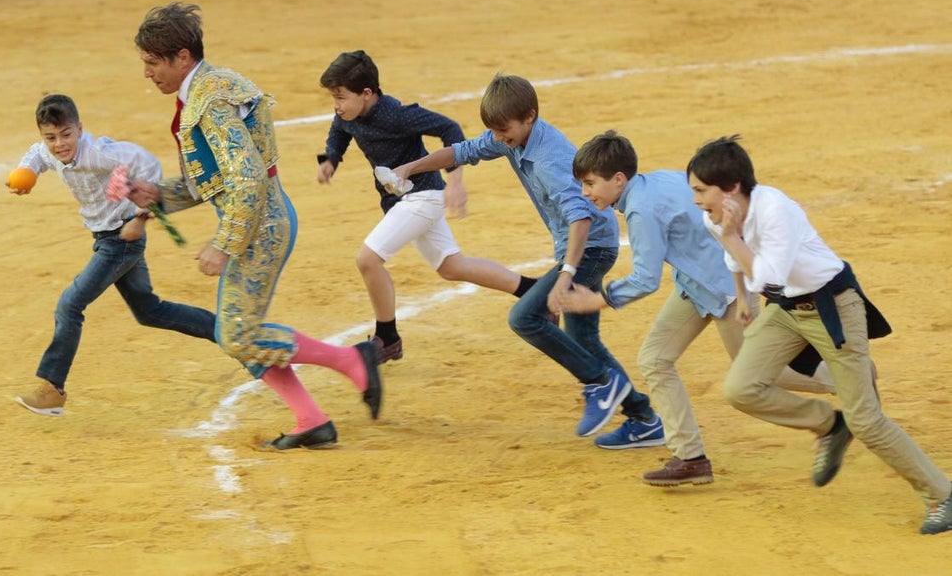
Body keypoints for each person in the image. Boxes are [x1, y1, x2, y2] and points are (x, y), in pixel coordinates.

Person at [125, 2, 382, 450]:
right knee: (240, 333)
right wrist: (160, 194)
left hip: (258, 226)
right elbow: (219, 177)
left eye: (152, 63)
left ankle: (350, 361)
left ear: (181, 57)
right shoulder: (210, 87)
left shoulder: (211, 102)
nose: (147, 73)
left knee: (237, 333)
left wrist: (225, 243)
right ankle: (311, 418)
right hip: (260, 219)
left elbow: (245, 179)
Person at [687, 134, 951, 534]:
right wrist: (741, 297)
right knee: (740, 387)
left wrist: (732, 238)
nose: (696, 200)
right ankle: (830, 425)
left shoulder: (776, 210)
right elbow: (737, 263)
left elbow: (769, 277)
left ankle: (941, 495)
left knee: (867, 421)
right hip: (787, 310)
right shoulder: (716, 216)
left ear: (732, 187)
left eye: (701, 190)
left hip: (834, 307)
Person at [391, 74, 657, 440]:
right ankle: (643, 419)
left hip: (590, 248)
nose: (499, 137)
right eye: (495, 132)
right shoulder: (513, 139)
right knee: (584, 341)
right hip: (582, 246)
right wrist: (409, 168)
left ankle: (599, 382)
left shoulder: (548, 160)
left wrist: (566, 275)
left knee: (524, 317)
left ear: (529, 116)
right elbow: (462, 151)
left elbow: (581, 218)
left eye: (504, 130)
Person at [563, 130, 835, 484]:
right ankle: (689, 456)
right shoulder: (656, 180)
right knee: (655, 358)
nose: (586, 193)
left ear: (618, 180)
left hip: (725, 289)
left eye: (590, 183)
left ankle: (843, 382)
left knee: (757, 372)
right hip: (697, 285)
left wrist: (596, 300)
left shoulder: (641, 210)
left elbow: (646, 279)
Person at [316, 50, 540, 364]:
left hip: (422, 196)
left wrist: (456, 182)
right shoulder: (348, 115)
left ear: (367, 94)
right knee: (452, 266)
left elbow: (449, 129)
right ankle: (535, 291)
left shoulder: (396, 114)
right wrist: (330, 160)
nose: (337, 107)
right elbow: (339, 132)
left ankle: (387, 337)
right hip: (402, 199)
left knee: (367, 259)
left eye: (340, 98)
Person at [9, 94, 218, 417]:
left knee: (70, 304)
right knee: (149, 311)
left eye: (66, 134)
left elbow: (147, 163)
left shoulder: (100, 153)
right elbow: (36, 156)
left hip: (121, 240)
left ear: (80, 128)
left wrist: (140, 217)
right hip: (106, 237)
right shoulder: (49, 151)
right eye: (51, 137)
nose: (59, 144)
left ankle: (53, 389)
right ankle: (225, 332)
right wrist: (28, 174)